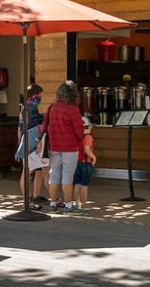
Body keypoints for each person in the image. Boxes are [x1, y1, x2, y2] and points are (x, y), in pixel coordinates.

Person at [41, 80, 86, 212]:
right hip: (70, 147)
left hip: (53, 146)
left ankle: (53, 204)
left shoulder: (52, 107)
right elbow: (79, 131)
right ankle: (68, 205)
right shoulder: (73, 109)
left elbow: (44, 127)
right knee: (67, 176)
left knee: (54, 174)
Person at [17, 83, 50, 206]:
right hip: (32, 144)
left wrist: (19, 143)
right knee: (29, 172)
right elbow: (37, 127)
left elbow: (20, 128)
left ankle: (34, 197)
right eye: (40, 95)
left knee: (38, 171)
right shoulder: (31, 108)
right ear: (35, 96)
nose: (41, 98)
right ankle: (28, 200)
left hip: (26, 143)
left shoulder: (24, 108)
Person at [73, 118, 98, 212]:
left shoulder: (76, 136)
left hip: (77, 162)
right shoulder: (88, 137)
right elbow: (86, 149)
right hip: (86, 163)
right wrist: (94, 157)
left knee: (77, 184)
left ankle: (76, 202)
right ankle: (83, 204)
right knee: (84, 185)